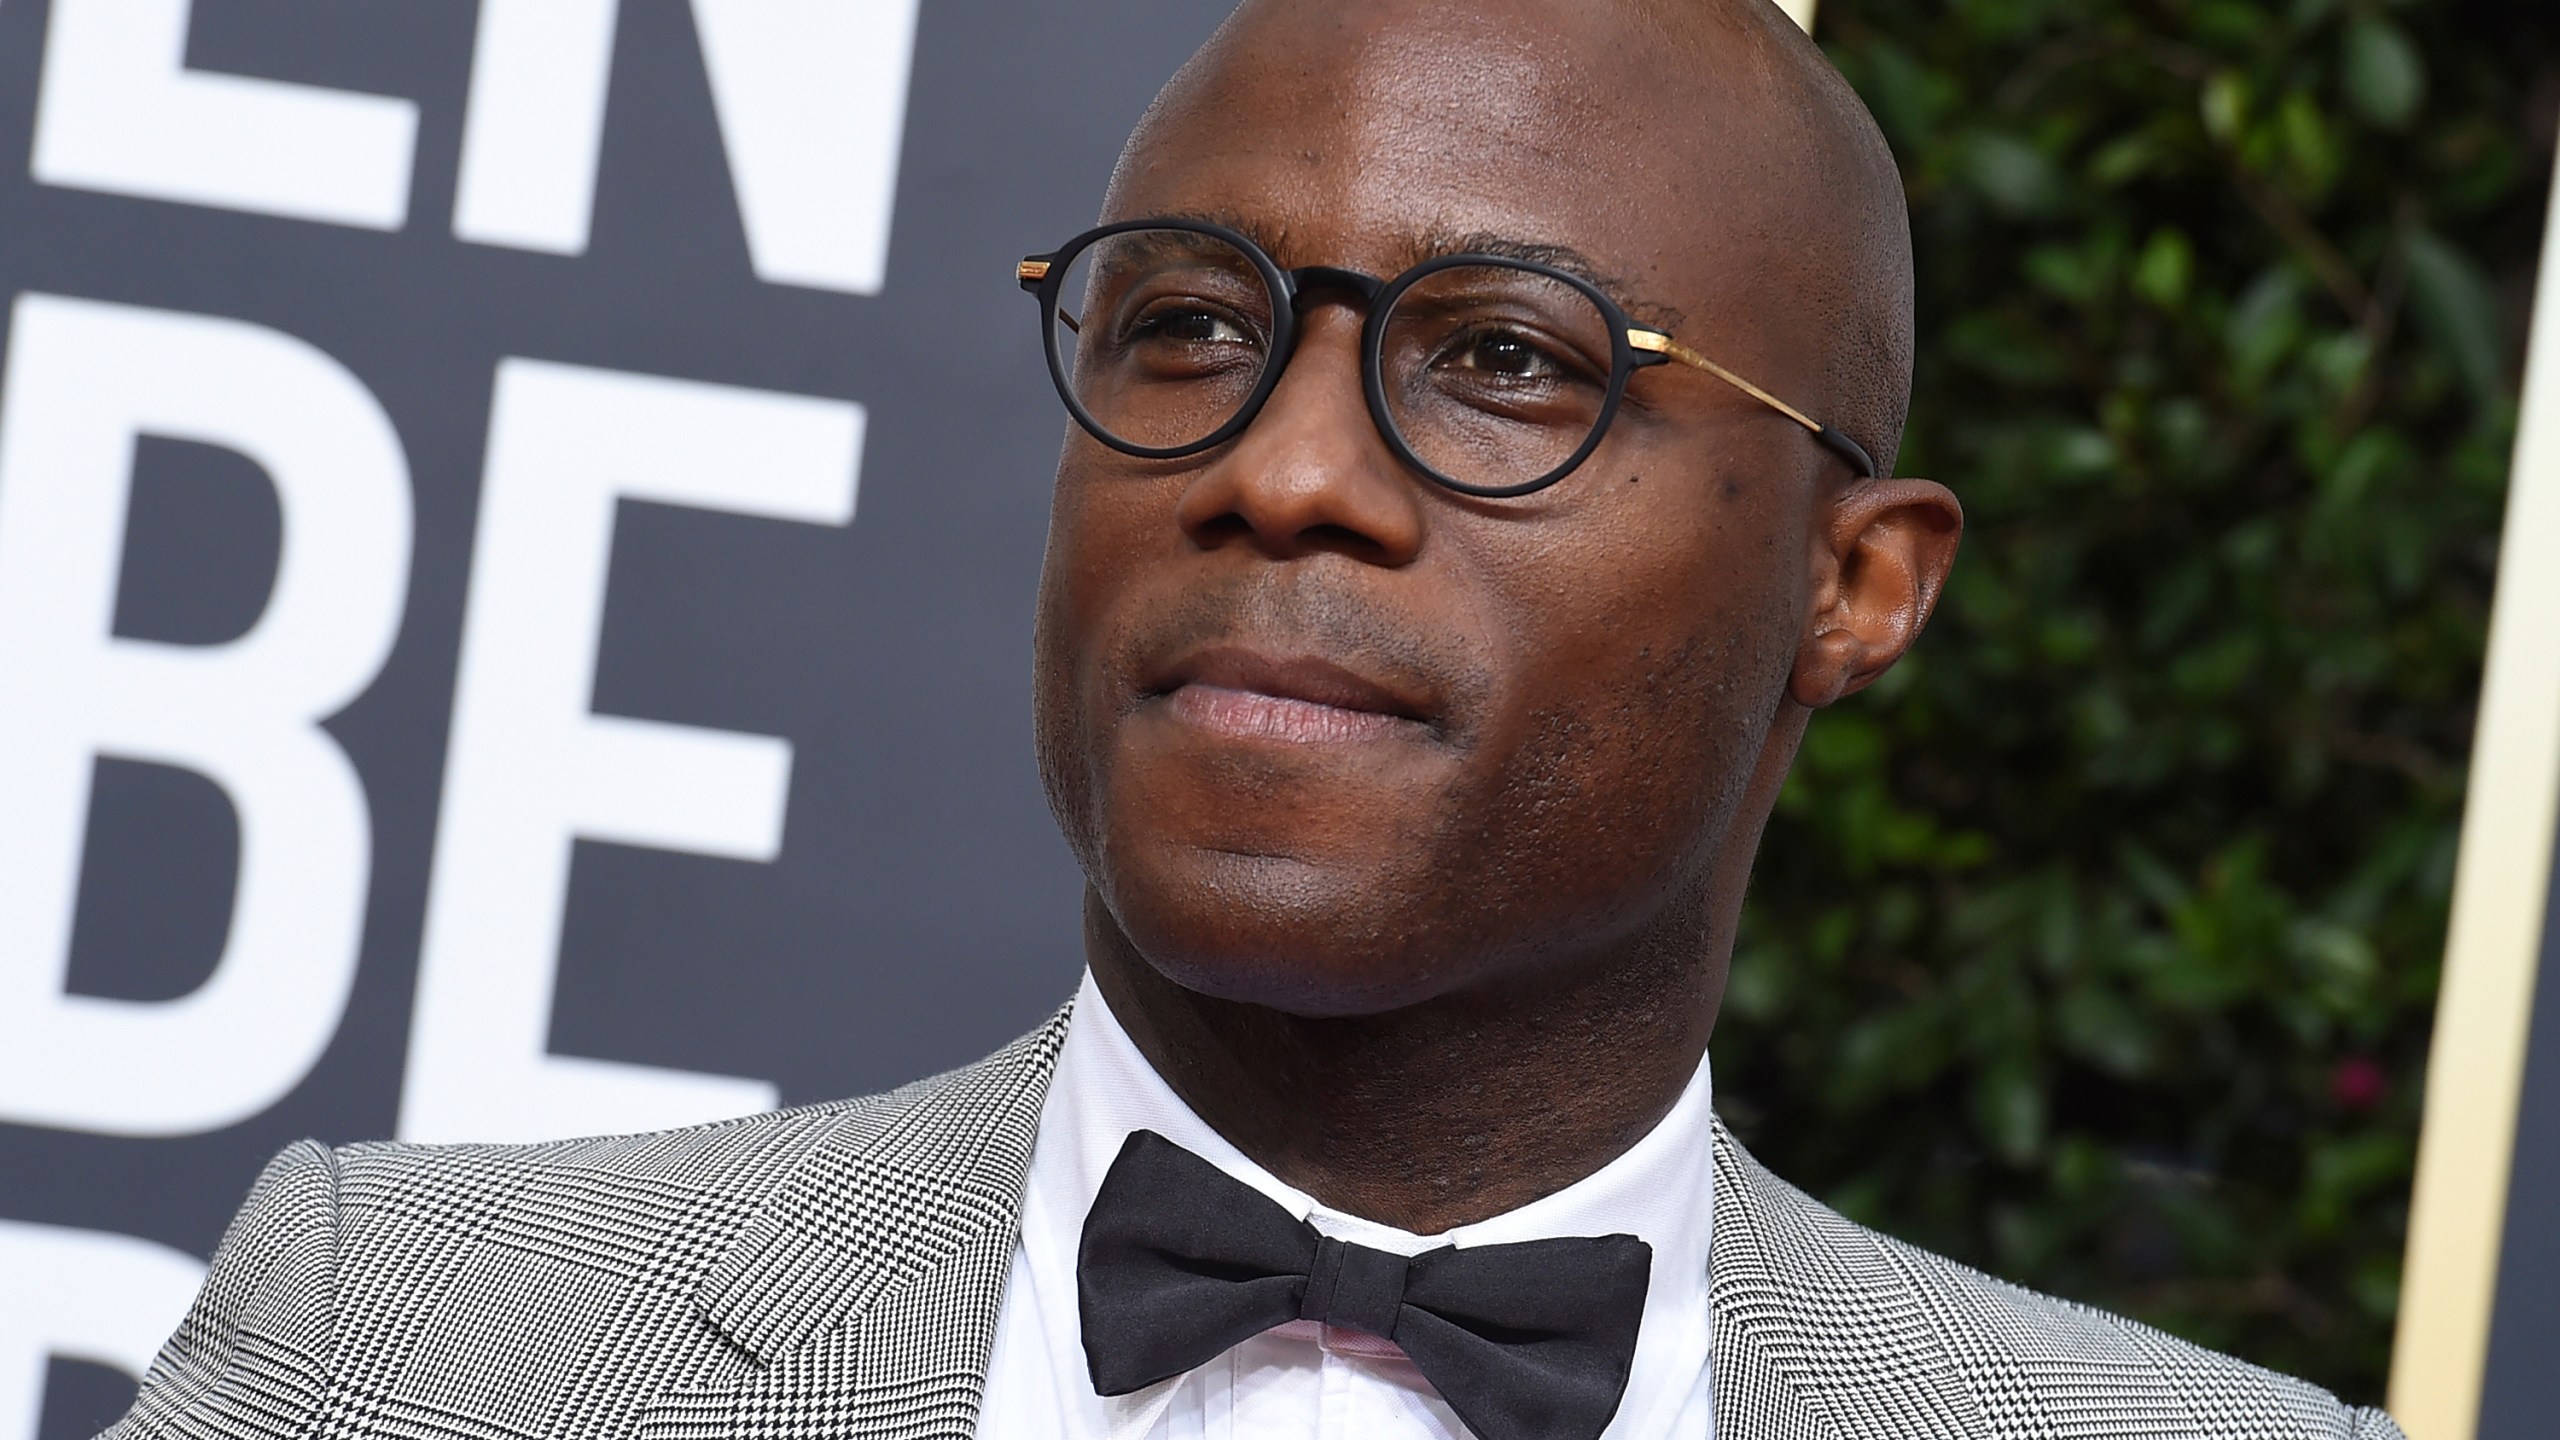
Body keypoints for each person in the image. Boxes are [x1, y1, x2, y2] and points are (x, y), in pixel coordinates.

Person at [102, 2, 2404, 1437]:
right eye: (1191, 326)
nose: (1278, 468)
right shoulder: (401, 1355)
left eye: (1505, 356)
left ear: (1851, 586)